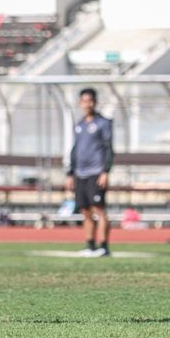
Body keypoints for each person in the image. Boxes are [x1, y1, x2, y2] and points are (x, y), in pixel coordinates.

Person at [65, 88, 113, 257]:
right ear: (80, 103)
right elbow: (75, 149)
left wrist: (105, 171)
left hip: (96, 172)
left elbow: (108, 148)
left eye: (90, 101)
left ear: (95, 102)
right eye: (84, 101)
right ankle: (90, 245)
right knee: (85, 211)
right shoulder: (79, 125)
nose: (87, 104)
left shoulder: (103, 123)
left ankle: (104, 247)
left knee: (99, 210)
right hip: (80, 173)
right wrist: (70, 173)